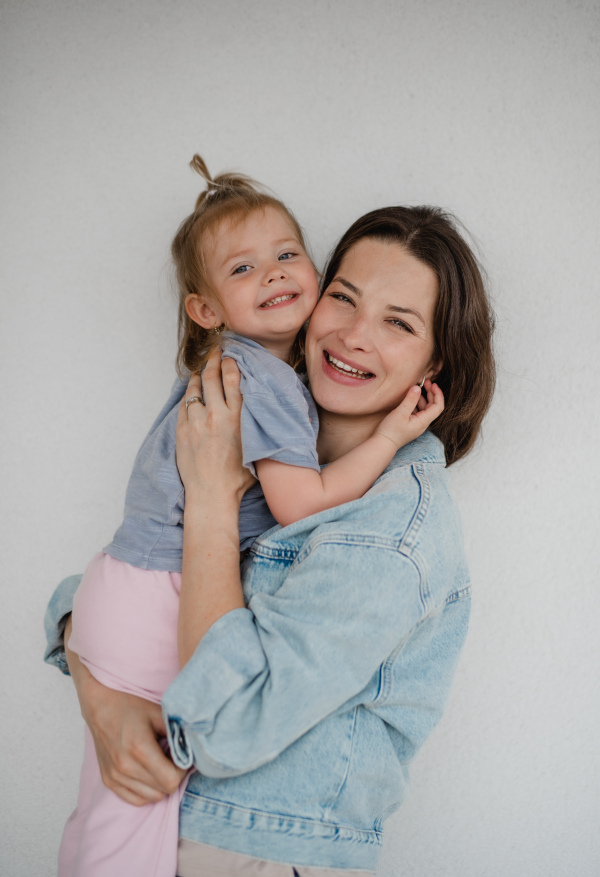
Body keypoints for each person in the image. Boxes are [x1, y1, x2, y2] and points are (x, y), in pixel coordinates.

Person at [45, 203, 495, 876]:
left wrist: (211, 506)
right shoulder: (255, 421)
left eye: (398, 323)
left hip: (249, 853)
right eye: (343, 297)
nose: (352, 334)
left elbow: (222, 726)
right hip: (171, 828)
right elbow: (125, 584)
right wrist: (101, 694)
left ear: (437, 363)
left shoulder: (390, 535)